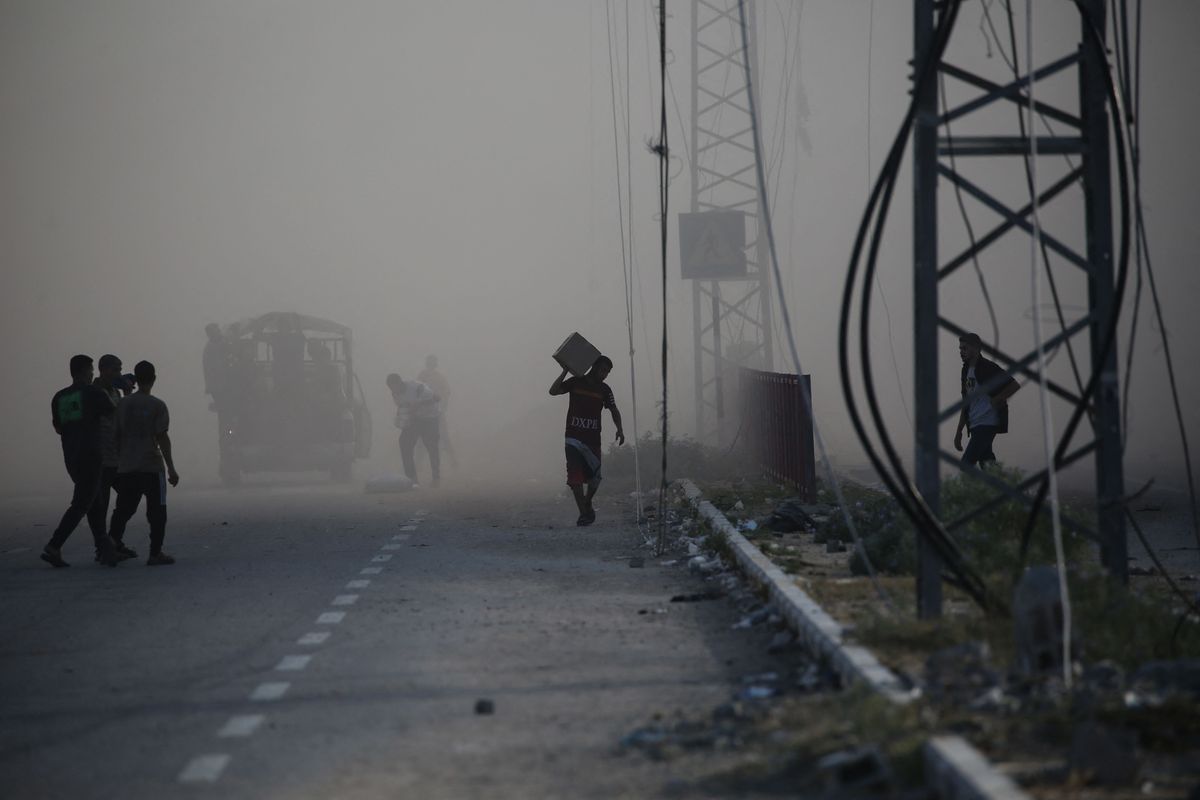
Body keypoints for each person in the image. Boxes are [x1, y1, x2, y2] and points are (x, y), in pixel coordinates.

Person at [42, 355, 120, 567]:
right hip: (92, 455)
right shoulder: (93, 392)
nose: (93, 373)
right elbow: (113, 411)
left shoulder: (60, 397)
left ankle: (105, 549)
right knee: (81, 504)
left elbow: (58, 427)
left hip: (71, 456)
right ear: (86, 371)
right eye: (92, 370)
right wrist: (125, 392)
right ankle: (54, 545)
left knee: (94, 502)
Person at [108, 361, 180, 565]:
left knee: (123, 508)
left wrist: (119, 460)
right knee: (157, 511)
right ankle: (155, 552)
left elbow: (115, 435)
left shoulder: (122, 404)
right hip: (151, 466)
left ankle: (112, 543)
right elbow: (162, 437)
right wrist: (172, 469)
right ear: (154, 379)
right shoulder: (157, 405)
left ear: (136, 379)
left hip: (128, 466)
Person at [549, 355, 624, 526]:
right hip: (573, 438)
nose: (605, 374)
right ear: (594, 367)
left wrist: (619, 429)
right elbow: (553, 391)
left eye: (608, 372)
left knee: (595, 479)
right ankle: (583, 513)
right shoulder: (576, 382)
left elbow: (613, 409)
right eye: (603, 370)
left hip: (592, 439)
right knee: (574, 478)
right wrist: (565, 371)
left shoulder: (605, 390)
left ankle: (587, 501)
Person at [92, 354, 138, 562]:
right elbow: (116, 414)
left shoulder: (114, 391)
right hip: (102, 456)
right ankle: (103, 548)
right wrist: (128, 395)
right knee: (100, 505)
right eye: (115, 370)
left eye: (120, 370)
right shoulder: (96, 393)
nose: (118, 374)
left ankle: (114, 541)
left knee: (130, 496)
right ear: (103, 369)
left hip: (117, 456)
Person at [954, 332, 1020, 468]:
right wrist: (959, 430)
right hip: (975, 424)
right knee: (988, 466)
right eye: (960, 348)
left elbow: (1014, 385)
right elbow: (966, 402)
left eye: (964, 348)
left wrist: (999, 398)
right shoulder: (965, 370)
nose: (961, 352)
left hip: (987, 423)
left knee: (966, 465)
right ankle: (1005, 489)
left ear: (976, 348)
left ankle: (971, 489)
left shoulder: (987, 367)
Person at [387, 373, 440, 488]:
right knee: (404, 443)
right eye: (391, 389)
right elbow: (403, 407)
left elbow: (437, 398)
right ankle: (411, 479)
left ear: (400, 383)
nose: (393, 391)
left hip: (430, 418)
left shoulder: (417, 388)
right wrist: (401, 417)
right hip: (414, 420)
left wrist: (419, 403)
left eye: (394, 387)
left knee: (432, 446)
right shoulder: (394, 394)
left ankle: (436, 477)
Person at [417, 354, 457, 469]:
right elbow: (446, 393)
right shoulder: (425, 376)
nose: (430, 364)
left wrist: (443, 408)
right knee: (440, 437)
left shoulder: (432, 377)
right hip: (428, 413)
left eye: (431, 362)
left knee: (441, 436)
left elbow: (446, 393)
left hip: (433, 412)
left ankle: (453, 460)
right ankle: (453, 460)